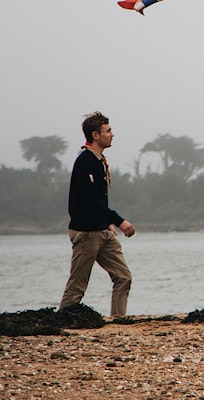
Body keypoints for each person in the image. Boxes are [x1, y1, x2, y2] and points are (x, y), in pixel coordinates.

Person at [59, 111, 135, 317]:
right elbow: (90, 200)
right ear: (95, 135)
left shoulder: (99, 161)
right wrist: (119, 221)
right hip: (86, 233)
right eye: (108, 131)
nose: (112, 134)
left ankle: (119, 320)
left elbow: (99, 202)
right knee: (78, 285)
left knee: (123, 277)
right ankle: (62, 321)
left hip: (102, 230)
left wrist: (108, 224)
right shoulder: (85, 162)